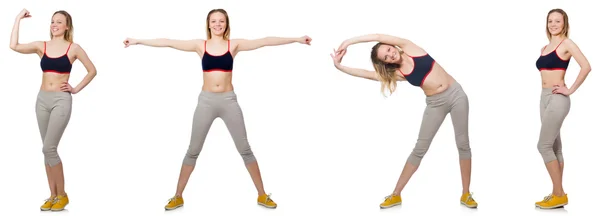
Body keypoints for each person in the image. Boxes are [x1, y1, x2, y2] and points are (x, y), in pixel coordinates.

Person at [122, 8, 311, 210]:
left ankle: (262, 195)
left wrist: (297, 39)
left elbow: (265, 40)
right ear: (208, 24)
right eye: (214, 21)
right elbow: (168, 42)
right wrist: (138, 41)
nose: (218, 24)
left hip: (229, 101)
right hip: (206, 102)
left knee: (245, 149)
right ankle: (178, 196)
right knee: (193, 151)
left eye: (221, 21)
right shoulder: (200, 45)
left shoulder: (234, 45)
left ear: (226, 24)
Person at [330, 34, 478, 209]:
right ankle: (396, 194)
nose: (390, 54)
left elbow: (376, 35)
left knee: (463, 144)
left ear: (393, 46)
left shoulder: (410, 47)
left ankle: (466, 194)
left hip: (456, 95)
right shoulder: (400, 74)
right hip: (435, 104)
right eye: (386, 57)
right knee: (419, 149)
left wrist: (349, 41)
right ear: (386, 63)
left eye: (389, 49)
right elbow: (368, 75)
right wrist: (339, 67)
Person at [9, 9, 97, 211]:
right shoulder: (42, 46)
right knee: (46, 151)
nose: (54, 24)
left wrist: (75, 89)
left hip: (61, 100)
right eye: (52, 21)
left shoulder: (73, 48)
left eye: (59, 22)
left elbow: (92, 70)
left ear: (67, 26)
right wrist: (17, 19)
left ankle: (63, 195)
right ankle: (52, 195)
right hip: (42, 100)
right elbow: (13, 45)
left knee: (49, 148)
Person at [533, 8, 591, 209]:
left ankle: (559, 194)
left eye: (558, 21)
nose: (553, 24)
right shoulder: (544, 47)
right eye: (550, 21)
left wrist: (570, 89)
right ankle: (556, 192)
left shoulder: (567, 43)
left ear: (564, 24)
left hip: (558, 98)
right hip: (544, 98)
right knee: (555, 147)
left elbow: (586, 66)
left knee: (543, 145)